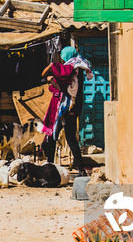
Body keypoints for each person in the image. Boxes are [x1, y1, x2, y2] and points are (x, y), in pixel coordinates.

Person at [39, 46, 94, 176]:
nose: (63, 60)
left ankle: (50, 167)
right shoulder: (77, 68)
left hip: (67, 109)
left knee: (56, 137)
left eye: (63, 57)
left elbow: (65, 89)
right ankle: (80, 169)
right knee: (68, 139)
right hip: (71, 109)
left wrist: (52, 69)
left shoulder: (71, 70)